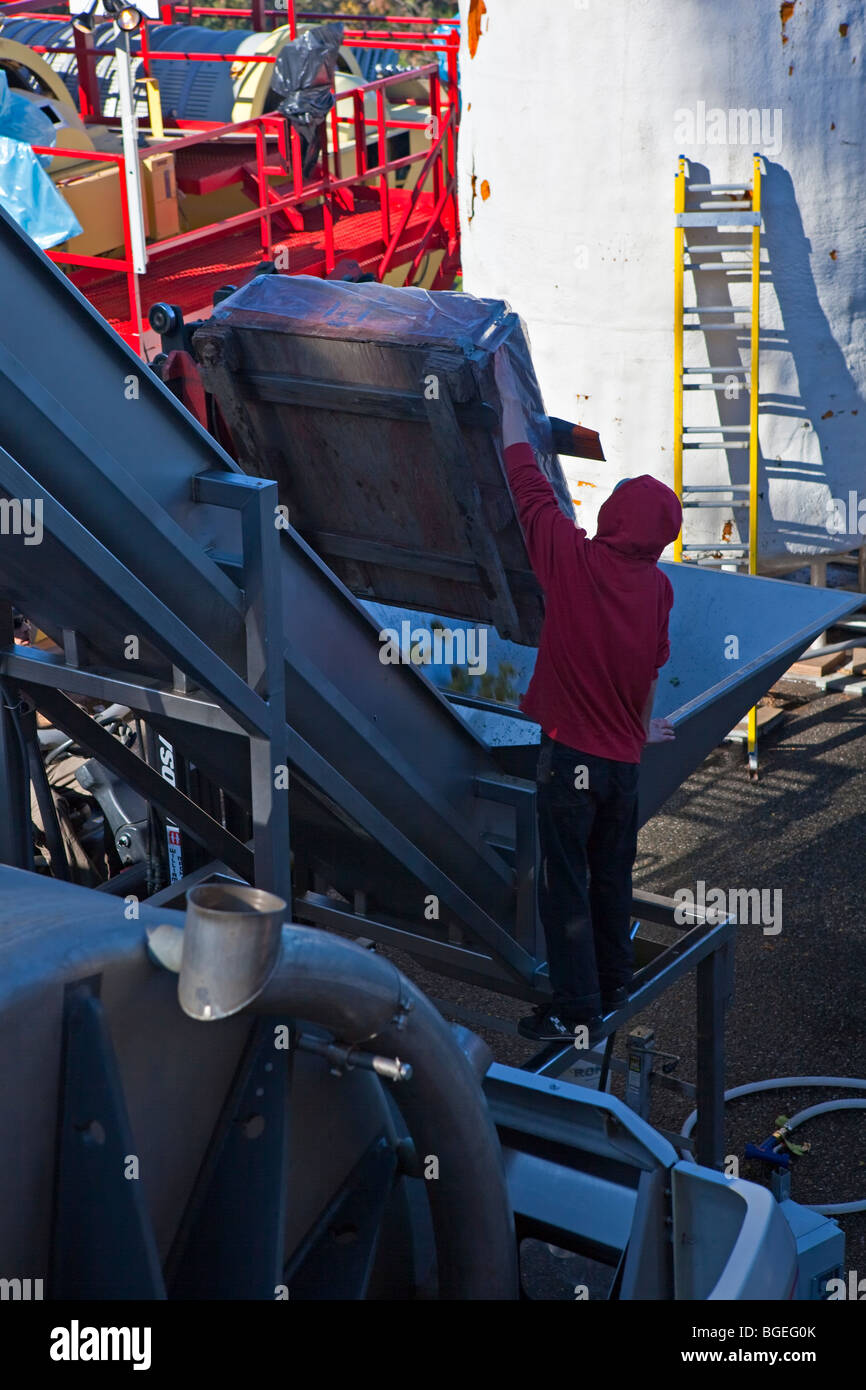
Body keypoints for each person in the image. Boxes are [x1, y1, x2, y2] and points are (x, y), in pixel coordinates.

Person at [493, 350, 683, 1043]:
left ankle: (576, 1012)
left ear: (612, 519)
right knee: (609, 877)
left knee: (564, 885)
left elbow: (524, 481)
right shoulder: (658, 590)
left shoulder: (571, 561)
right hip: (621, 768)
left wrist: (508, 398)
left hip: (570, 759)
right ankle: (614, 981)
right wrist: (641, 730)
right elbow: (649, 671)